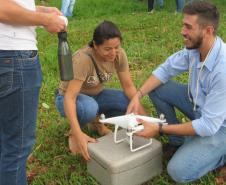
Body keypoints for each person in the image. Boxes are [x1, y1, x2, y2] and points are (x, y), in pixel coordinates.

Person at [127, 1, 226, 183]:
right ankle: (178, 141)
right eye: (183, 25)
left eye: (188, 27)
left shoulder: (222, 69)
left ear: (208, 31)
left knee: (178, 171)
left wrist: (160, 128)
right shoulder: (196, 50)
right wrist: (137, 95)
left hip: (220, 127)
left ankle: (221, 154)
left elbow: (209, 126)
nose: (182, 31)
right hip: (199, 107)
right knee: (159, 87)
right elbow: (165, 70)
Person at [55, 20, 146, 161]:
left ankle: (95, 123)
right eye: (108, 49)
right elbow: (70, 97)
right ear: (95, 45)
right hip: (68, 99)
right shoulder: (83, 60)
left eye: (116, 47)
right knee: (89, 107)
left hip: (96, 95)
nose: (113, 53)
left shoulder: (119, 55)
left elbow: (128, 87)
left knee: (129, 103)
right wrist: (78, 134)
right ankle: (75, 132)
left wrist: (144, 119)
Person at [0, 1, 66, 185]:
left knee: (6, 139)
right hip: (12, 57)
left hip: (8, 57)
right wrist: (45, 19)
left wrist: (39, 11)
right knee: (16, 146)